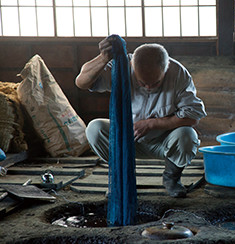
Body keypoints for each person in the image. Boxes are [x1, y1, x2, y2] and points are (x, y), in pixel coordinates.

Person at [75, 36, 207, 198]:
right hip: (126, 141)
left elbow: (193, 117)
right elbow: (81, 83)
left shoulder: (178, 73)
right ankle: (122, 178)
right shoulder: (122, 65)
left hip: (163, 142)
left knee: (188, 134)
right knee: (95, 128)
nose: (148, 87)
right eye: (142, 83)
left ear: (166, 69)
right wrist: (103, 58)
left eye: (155, 83)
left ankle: (171, 179)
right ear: (132, 67)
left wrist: (152, 124)